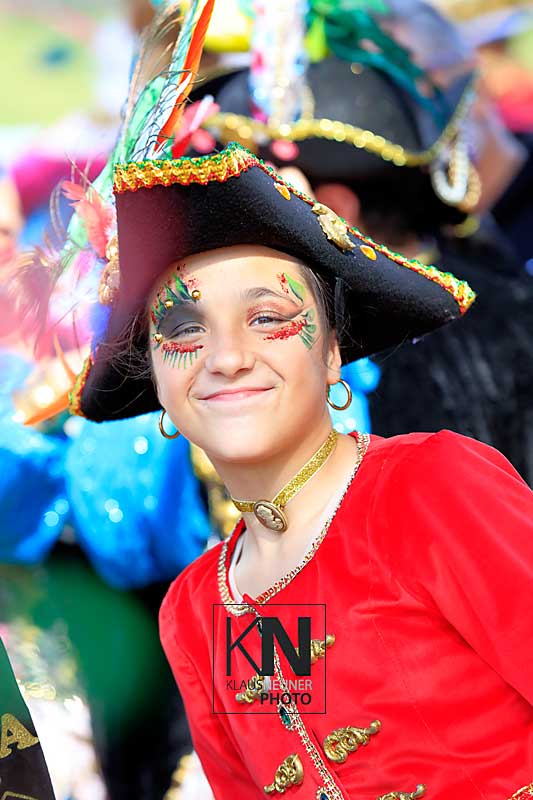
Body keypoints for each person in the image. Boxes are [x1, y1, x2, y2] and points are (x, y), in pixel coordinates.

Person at [19, 3, 533, 799]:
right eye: (182, 329)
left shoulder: (432, 487)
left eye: (267, 317)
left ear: (332, 350)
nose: (226, 356)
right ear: (154, 377)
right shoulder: (197, 609)